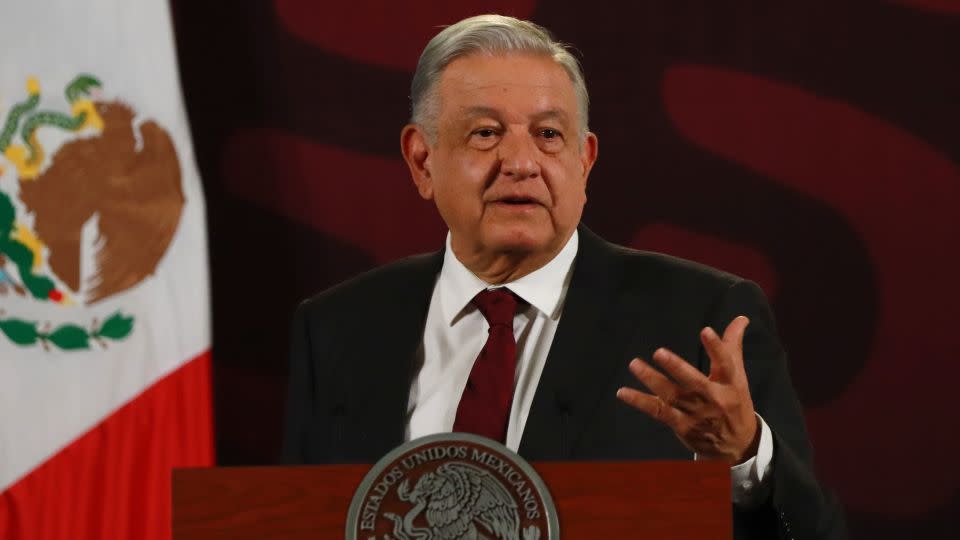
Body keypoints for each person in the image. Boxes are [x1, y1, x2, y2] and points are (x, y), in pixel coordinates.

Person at [283, 14, 845, 539]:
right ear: (422, 160)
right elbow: (294, 520)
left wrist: (745, 457)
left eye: (549, 135)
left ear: (585, 161)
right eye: (485, 133)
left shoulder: (702, 317)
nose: (522, 162)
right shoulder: (337, 327)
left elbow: (815, 531)